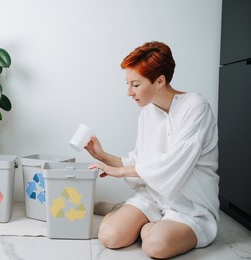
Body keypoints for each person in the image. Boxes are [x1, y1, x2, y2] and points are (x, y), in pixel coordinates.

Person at [87, 41, 219, 259]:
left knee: (155, 246)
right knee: (110, 236)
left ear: (160, 81)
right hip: (153, 197)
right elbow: (140, 160)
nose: (129, 92)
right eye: (127, 84)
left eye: (135, 85)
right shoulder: (147, 113)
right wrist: (102, 156)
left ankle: (146, 225)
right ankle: (129, 213)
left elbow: (174, 162)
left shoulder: (196, 106)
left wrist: (120, 172)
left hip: (189, 205)